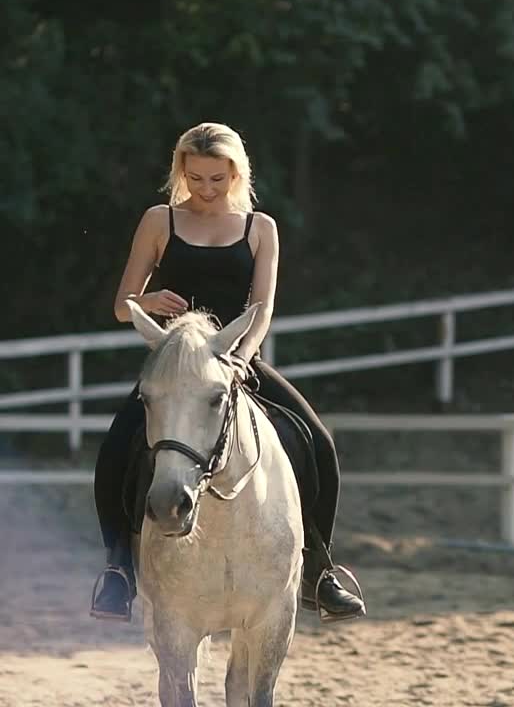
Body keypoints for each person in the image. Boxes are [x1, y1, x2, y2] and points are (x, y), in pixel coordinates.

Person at [90, 122, 366, 623]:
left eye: (217, 178)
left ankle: (319, 570)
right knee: (116, 446)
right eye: (196, 178)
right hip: (177, 367)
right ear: (182, 171)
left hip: (239, 360)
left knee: (318, 442)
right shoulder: (159, 220)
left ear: (235, 173)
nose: (206, 189)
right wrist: (147, 300)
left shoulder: (260, 228)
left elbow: (261, 310)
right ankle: (118, 570)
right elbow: (121, 306)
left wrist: (241, 357)